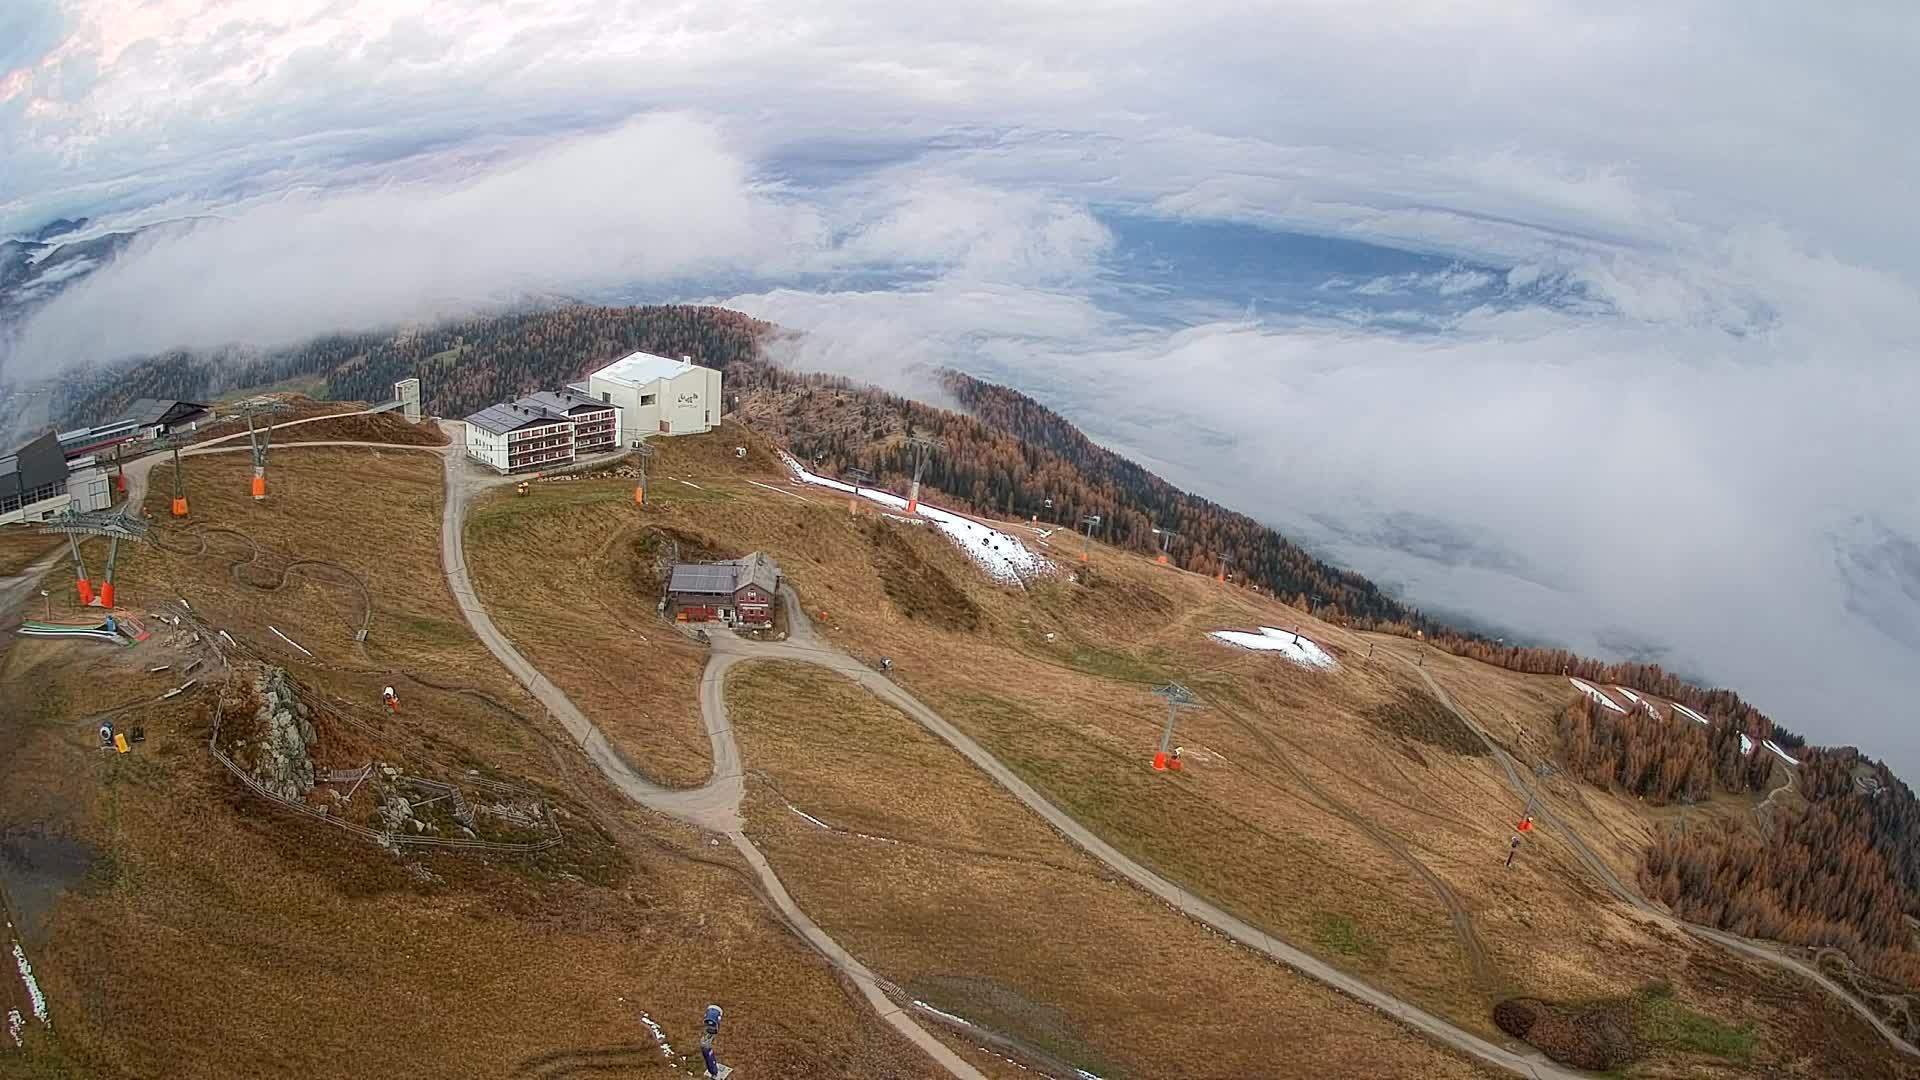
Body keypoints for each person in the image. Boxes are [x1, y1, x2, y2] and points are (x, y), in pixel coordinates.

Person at [700, 1004, 723, 1077]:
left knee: (707, 1050)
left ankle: (714, 1072)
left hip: (707, 1044)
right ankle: (714, 1072)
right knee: (706, 1050)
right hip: (707, 1045)